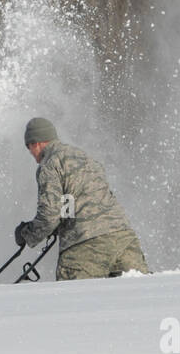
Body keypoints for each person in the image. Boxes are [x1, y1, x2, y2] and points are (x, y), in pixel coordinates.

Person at [15, 117, 150, 279]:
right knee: (136, 298)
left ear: (35, 143)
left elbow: (49, 215)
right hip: (123, 239)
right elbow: (80, 199)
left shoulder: (49, 165)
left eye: (28, 147)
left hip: (85, 246)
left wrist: (27, 234)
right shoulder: (86, 158)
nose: (31, 153)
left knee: (73, 300)